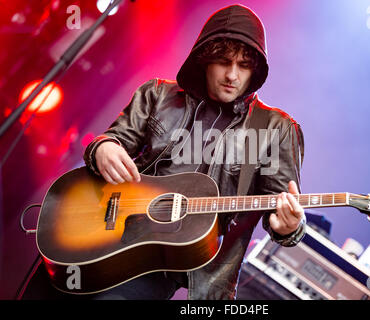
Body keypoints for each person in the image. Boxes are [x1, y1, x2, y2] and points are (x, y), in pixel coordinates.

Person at [22, 4, 306, 300]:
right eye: (223, 61)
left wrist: (290, 227)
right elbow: (113, 140)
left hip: (160, 265)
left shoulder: (276, 130)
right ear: (205, 58)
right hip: (97, 230)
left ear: (255, 70)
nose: (232, 75)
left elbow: (283, 211)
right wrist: (103, 148)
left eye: (244, 66)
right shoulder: (156, 93)